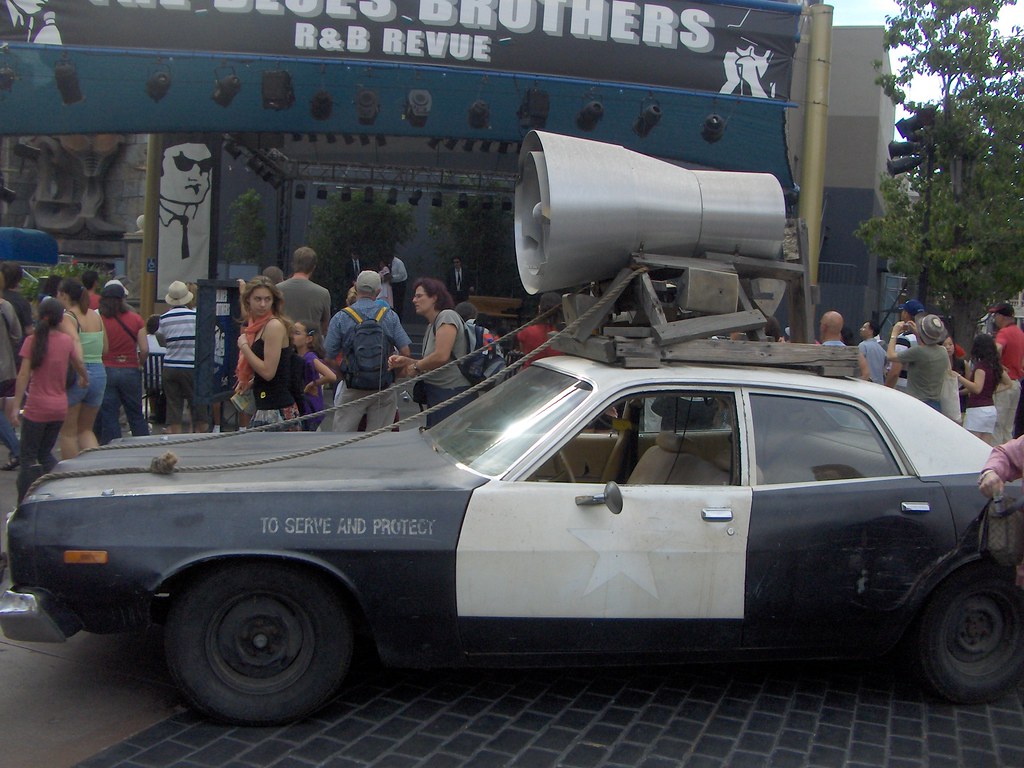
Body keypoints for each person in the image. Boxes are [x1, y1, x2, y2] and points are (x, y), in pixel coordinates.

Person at [12, 298, 87, 502]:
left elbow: (23, 375)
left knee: (28, 457)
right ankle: (62, 487)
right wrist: (84, 378)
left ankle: (24, 501)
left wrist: (16, 406)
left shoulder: (32, 341)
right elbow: (79, 363)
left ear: (40, 316)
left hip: (36, 408)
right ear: (60, 319)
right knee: (45, 453)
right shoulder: (66, 341)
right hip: (59, 408)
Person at [324, 270, 411, 432]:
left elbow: (328, 356)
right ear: (378, 292)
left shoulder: (341, 317)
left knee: (341, 440)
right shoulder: (389, 316)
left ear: (355, 287)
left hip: (353, 387)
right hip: (383, 387)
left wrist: (345, 377)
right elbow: (405, 352)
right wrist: (393, 376)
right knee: (379, 441)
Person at [388, 277, 471, 428]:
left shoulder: (447, 316)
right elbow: (432, 362)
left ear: (434, 298)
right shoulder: (432, 325)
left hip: (451, 394)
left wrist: (415, 367)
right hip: (438, 394)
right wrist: (407, 362)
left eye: (419, 296)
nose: (414, 300)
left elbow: (441, 356)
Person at [235, 275, 299, 431]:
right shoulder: (257, 325)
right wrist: (250, 382)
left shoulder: (273, 326)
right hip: (265, 404)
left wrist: (244, 347)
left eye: (267, 299)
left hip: (276, 408)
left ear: (273, 301)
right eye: (258, 299)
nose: (263, 304)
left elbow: (268, 372)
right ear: (248, 300)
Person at [56, 277, 106, 458]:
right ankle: (93, 469)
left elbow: (72, 345)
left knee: (68, 432)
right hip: (100, 372)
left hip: (79, 373)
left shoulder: (68, 317)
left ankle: (71, 477)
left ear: (64, 295)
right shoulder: (96, 316)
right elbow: (105, 348)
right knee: (86, 430)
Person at [96, 282, 149, 444]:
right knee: (135, 413)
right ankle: (144, 445)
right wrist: (140, 363)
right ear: (122, 300)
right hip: (130, 369)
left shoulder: (99, 320)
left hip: (107, 369)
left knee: (109, 413)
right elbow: (145, 349)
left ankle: (114, 448)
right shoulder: (136, 319)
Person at [158, 280, 207, 434]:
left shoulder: (164, 318)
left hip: (170, 367)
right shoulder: (197, 316)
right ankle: (199, 441)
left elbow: (162, 341)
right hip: (192, 368)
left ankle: (175, 441)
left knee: (174, 409)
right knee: (198, 409)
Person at [886, 313, 949, 410]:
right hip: (935, 404)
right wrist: (918, 333)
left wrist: (894, 334)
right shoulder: (943, 351)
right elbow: (926, 345)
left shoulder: (918, 352)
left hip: (917, 403)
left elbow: (890, 355)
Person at [987, 303, 1024, 444]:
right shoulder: (1020, 333)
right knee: (1008, 428)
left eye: (996, 315)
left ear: (1002, 317)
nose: (995, 318)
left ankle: (996, 459)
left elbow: (997, 348)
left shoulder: (1004, 333)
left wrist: (998, 365)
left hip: (1003, 385)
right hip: (1016, 384)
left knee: (997, 425)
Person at [957, 333, 1003, 445]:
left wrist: (959, 378)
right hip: (990, 409)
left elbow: (977, 388)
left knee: (971, 444)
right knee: (985, 446)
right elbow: (1008, 384)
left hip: (977, 410)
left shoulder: (980, 367)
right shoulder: (994, 366)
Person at [291, 321, 336, 432]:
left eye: (297, 333)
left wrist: (313, 383)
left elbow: (331, 376)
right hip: (302, 405)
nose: (292, 336)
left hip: (310, 407)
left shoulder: (309, 358)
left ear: (308, 339)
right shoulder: (295, 356)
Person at [276, 246, 331, 335]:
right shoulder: (323, 293)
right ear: (313, 267)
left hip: (283, 342)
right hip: (310, 344)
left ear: (293, 264)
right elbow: (325, 326)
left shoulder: (277, 289)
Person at [0, 274, 22, 470]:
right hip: (5, 365)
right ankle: (16, 449)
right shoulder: (5, 306)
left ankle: (17, 449)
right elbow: (17, 335)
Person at [885, 298, 925, 389]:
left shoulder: (904, 339)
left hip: (901, 389)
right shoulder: (926, 339)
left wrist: (886, 388)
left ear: (906, 314)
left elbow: (895, 371)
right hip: (919, 388)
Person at [517, 292, 564, 368]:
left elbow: (523, 350)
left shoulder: (527, 332)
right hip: (558, 377)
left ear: (539, 309)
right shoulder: (566, 334)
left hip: (529, 374)